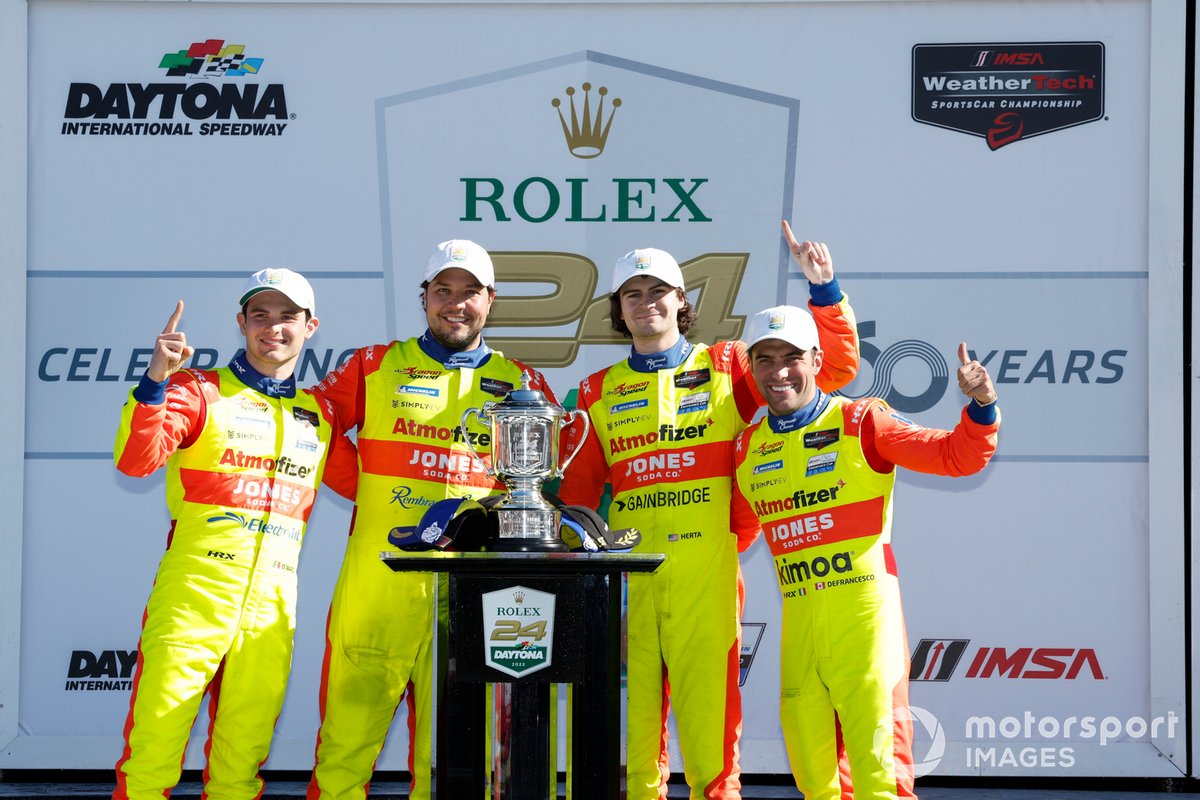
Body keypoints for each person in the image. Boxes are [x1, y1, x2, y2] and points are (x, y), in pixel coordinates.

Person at [557, 222, 860, 799]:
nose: (646, 304)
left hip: (708, 575)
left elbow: (833, 372)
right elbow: (577, 496)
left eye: (657, 291)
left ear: (682, 301)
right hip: (628, 580)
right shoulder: (597, 389)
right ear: (619, 311)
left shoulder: (727, 364)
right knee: (635, 732)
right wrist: (582, 582)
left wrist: (824, 294)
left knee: (711, 735)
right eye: (632, 295)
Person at [306, 239, 558, 800]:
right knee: (346, 742)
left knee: (458, 757)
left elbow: (544, 485)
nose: (456, 303)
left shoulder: (521, 383)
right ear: (424, 298)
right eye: (444, 290)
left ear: (490, 301)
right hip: (381, 579)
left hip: (474, 586)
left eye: (470, 292)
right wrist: (366, 487)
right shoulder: (375, 364)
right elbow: (313, 425)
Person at [730, 305, 1000, 800]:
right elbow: (733, 536)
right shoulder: (749, 447)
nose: (779, 372)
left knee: (879, 778)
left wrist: (981, 406)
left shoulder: (861, 420)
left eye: (791, 356)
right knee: (815, 775)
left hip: (865, 621)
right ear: (750, 367)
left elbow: (955, 456)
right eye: (765, 359)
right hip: (802, 629)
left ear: (815, 359)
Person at [112, 269, 356, 800]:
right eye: (260, 316)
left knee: (241, 763)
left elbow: (374, 486)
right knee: (153, 751)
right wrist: (154, 380)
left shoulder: (319, 414)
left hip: (272, 607)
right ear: (241, 324)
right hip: (194, 594)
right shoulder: (197, 390)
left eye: (287, 316)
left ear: (309, 326)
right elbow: (136, 462)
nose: (273, 328)